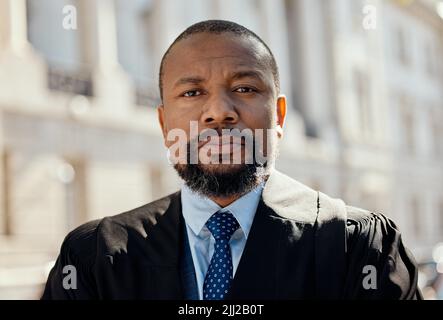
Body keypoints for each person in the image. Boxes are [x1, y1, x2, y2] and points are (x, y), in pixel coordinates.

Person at [41, 20, 421, 300]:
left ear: (280, 117)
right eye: (192, 92)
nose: (219, 112)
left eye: (245, 88)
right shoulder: (94, 258)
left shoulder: (357, 247)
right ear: (163, 122)